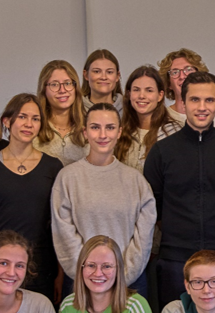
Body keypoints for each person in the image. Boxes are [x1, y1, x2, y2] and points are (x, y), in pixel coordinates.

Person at [144, 71, 215, 311]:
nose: (202, 107)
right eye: (194, 100)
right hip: (175, 259)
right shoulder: (162, 151)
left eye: (209, 100)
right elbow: (153, 206)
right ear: (183, 102)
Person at [0, 94, 64, 303]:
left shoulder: (53, 167)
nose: (29, 124)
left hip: (39, 265)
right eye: (22, 117)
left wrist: (61, 274)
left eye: (35, 119)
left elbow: (59, 225)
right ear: (7, 121)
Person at [51, 103, 156, 297]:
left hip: (128, 283)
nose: (102, 135)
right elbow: (64, 235)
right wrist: (89, 275)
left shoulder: (136, 182)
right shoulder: (67, 178)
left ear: (119, 132)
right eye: (95, 127)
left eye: (110, 127)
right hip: (80, 283)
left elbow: (143, 239)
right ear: (85, 132)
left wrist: (122, 275)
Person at [116, 66, 180, 172]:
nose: (142, 96)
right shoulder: (120, 131)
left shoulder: (173, 133)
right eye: (136, 90)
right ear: (129, 94)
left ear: (160, 95)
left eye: (149, 90)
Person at [157, 48, 215, 132]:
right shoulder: (159, 119)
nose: (182, 76)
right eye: (175, 72)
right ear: (168, 83)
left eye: (188, 70)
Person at [34, 59, 88, 165]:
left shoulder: (91, 125)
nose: (62, 90)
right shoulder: (34, 127)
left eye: (68, 83)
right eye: (54, 85)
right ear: (44, 89)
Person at [81, 49, 124, 115]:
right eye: (97, 71)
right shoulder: (75, 110)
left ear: (117, 76)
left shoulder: (129, 110)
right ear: (86, 75)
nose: (103, 77)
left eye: (109, 72)